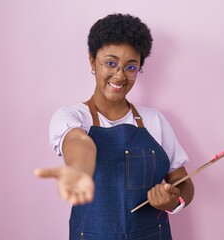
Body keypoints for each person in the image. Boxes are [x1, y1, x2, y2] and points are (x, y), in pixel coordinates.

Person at [35, 13, 194, 240]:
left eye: (131, 67)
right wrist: (81, 162)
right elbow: (76, 141)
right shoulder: (71, 116)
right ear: (92, 60)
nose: (119, 75)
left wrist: (173, 201)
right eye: (111, 63)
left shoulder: (154, 120)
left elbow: (184, 183)